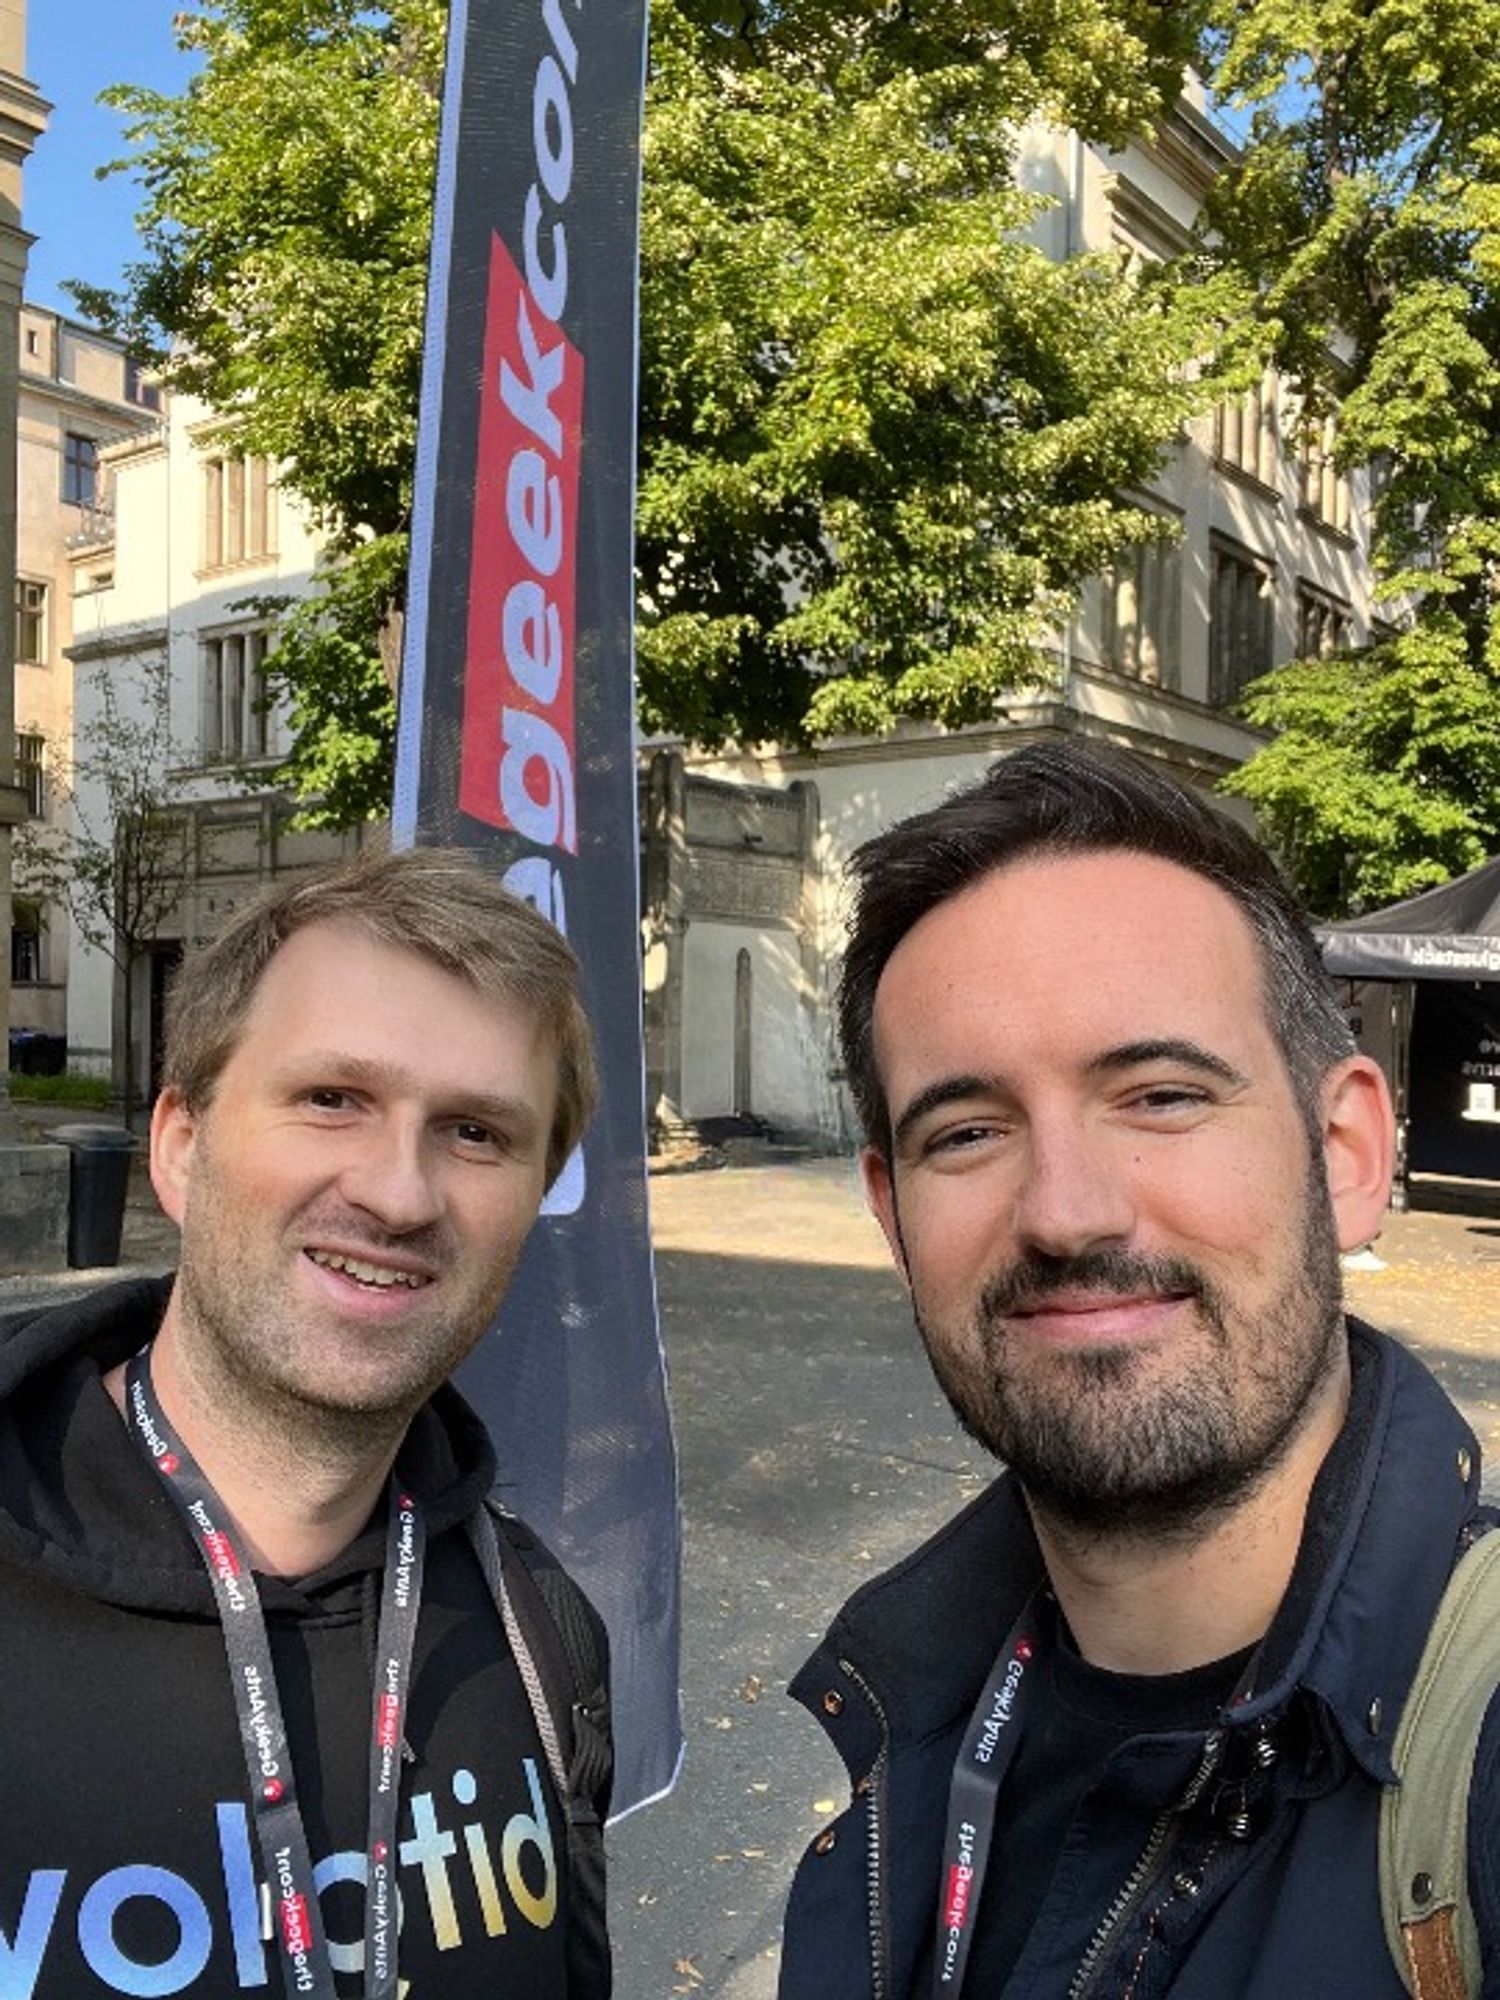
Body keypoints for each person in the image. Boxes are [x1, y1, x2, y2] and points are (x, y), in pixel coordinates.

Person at [779, 741, 1495, 1999]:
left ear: (1347, 1154)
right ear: (893, 1216)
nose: (1067, 1210)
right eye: (969, 1131)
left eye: (1160, 1095)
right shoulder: (904, 1724)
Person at [0, 848, 612, 2000]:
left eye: (477, 1131)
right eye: (333, 1098)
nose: (398, 1192)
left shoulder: (544, 1637)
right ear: (180, 1143)